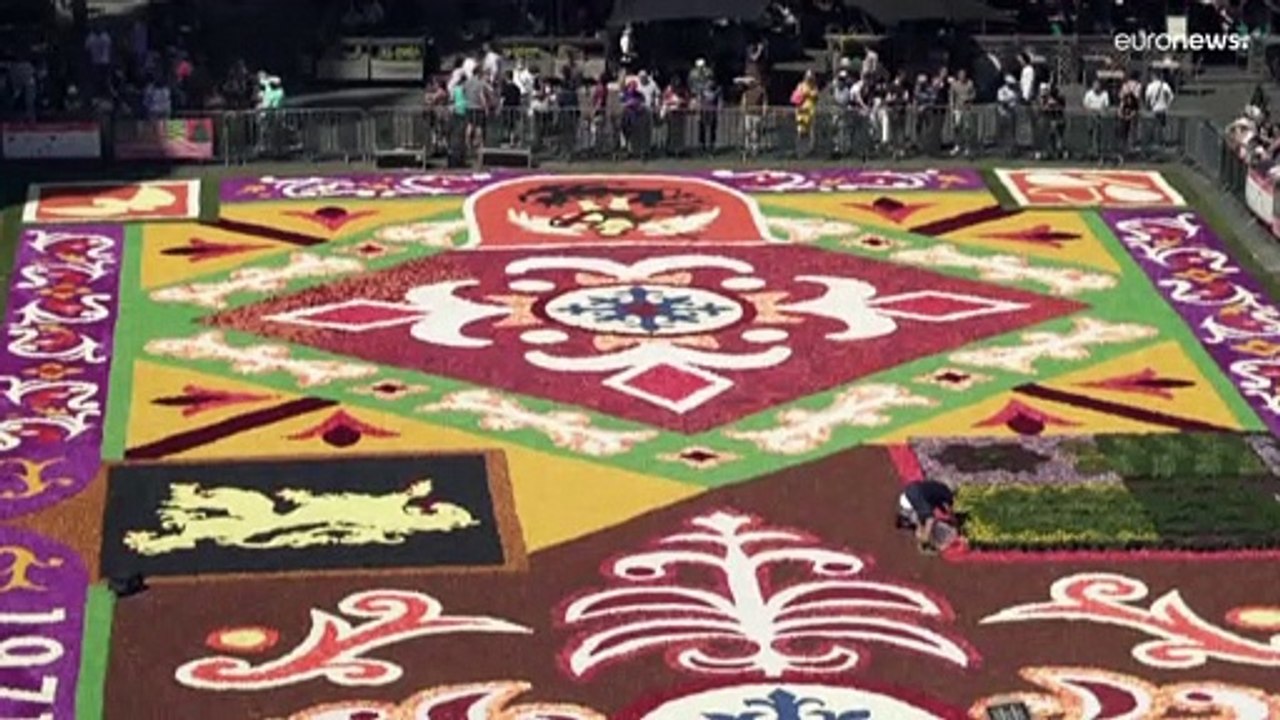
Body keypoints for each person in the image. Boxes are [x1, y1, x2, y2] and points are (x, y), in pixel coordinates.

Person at [897, 479, 957, 552]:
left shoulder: (939, 492)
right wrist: (925, 537)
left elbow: (937, 511)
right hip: (916, 496)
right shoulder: (946, 496)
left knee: (923, 518)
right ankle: (910, 520)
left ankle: (910, 520)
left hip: (911, 492)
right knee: (926, 519)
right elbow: (930, 518)